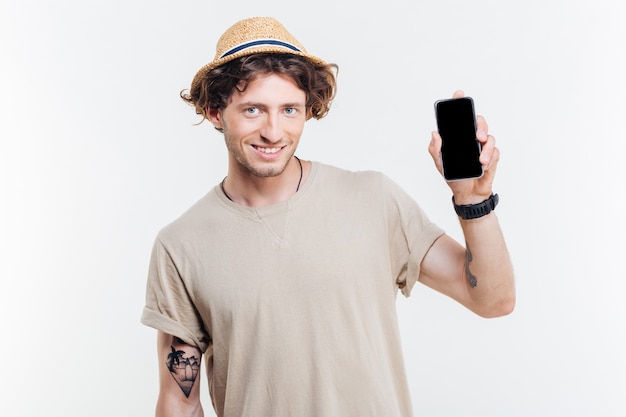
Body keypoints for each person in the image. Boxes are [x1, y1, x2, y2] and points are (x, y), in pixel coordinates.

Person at [140, 16, 515, 417]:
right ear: (216, 112)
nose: (273, 131)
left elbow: (492, 299)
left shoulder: (373, 198)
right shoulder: (181, 246)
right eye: (253, 110)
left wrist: (474, 201)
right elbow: (179, 402)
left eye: (289, 110)